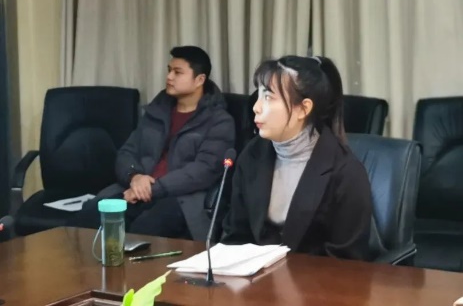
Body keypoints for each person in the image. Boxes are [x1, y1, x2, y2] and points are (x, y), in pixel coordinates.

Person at [69, 46, 235, 241]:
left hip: (181, 198)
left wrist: (152, 188)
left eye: (177, 72)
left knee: (142, 233)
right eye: (169, 70)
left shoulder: (219, 121)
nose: (169, 77)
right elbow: (127, 152)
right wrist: (134, 177)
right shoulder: (157, 110)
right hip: (136, 189)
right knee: (87, 219)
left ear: (199, 80)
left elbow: (203, 171)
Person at [221, 55, 372, 260]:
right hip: (255, 274)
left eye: (268, 97)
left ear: (304, 108)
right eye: (259, 95)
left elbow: (346, 260)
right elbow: (236, 234)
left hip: (316, 277)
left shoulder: (345, 171)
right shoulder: (253, 154)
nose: (256, 107)